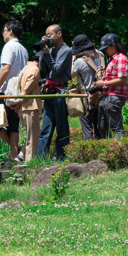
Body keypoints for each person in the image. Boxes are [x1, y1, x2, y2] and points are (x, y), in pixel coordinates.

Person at [0, 20, 28, 162]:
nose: (3, 33)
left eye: (4, 30)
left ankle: (16, 151)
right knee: (13, 126)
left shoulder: (9, 47)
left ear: (10, 31)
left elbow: (5, 68)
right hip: (17, 92)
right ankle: (15, 157)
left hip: (5, 92)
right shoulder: (23, 49)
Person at [36, 24, 72, 159]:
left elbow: (56, 70)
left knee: (62, 128)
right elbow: (42, 66)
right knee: (46, 128)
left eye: (50, 35)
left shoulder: (66, 50)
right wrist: (42, 51)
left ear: (59, 34)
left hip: (60, 92)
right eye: (46, 35)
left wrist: (47, 55)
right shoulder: (50, 50)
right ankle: (39, 160)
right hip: (49, 92)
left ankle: (62, 158)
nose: (48, 37)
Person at [70, 34, 106, 140]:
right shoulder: (101, 55)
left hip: (87, 99)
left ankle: (90, 153)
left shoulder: (79, 62)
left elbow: (70, 75)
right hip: (101, 97)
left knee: (87, 129)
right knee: (100, 128)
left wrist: (73, 58)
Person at [94, 33, 128, 139]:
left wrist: (103, 83)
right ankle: (108, 151)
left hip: (115, 97)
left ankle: (119, 152)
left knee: (116, 128)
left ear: (113, 46)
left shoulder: (121, 58)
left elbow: (123, 79)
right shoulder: (112, 59)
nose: (105, 51)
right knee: (101, 126)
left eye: (106, 48)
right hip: (107, 96)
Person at [16, 53, 43, 162]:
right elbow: (27, 88)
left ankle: (21, 155)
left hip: (24, 107)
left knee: (32, 134)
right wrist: (20, 101)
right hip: (30, 106)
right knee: (33, 138)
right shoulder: (35, 69)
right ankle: (29, 163)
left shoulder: (26, 67)